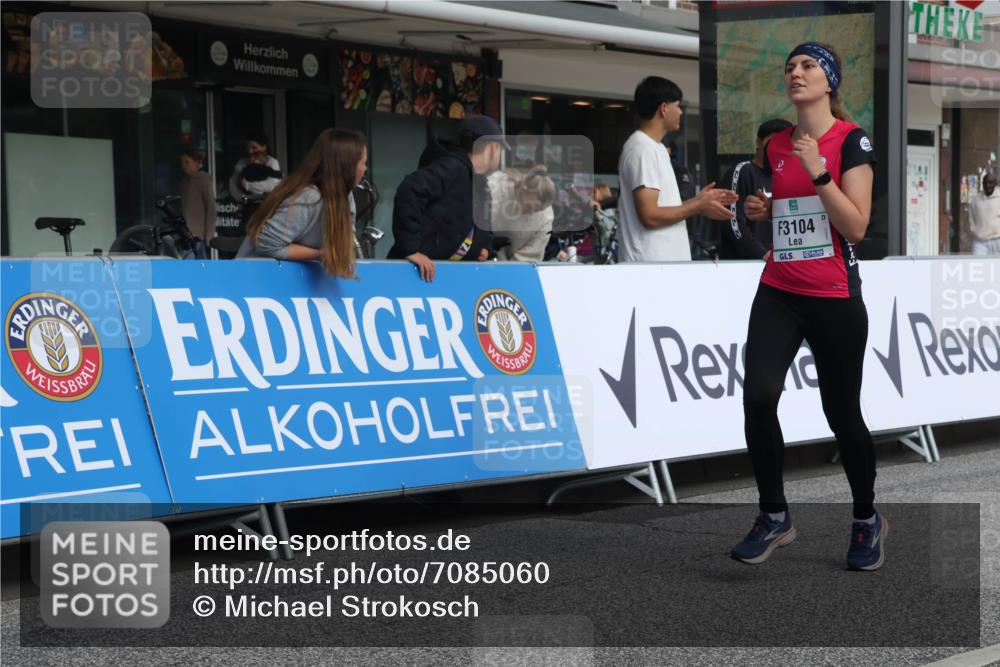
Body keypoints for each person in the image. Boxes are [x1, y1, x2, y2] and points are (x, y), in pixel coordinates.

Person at [733, 42, 883, 570]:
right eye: (790, 67)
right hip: (779, 289)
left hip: (834, 297)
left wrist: (820, 171)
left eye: (808, 66)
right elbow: (793, 213)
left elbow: (856, 226)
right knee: (757, 395)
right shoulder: (776, 144)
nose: (795, 74)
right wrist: (764, 208)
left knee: (842, 414)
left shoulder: (851, 140)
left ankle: (866, 518)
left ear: (829, 82)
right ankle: (774, 515)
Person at [617, 76, 737, 262]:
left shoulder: (656, 148)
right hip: (650, 267)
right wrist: (698, 205)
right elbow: (650, 216)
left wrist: (699, 202)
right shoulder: (642, 149)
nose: (680, 112)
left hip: (663, 266)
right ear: (664, 109)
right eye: (678, 106)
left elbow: (661, 210)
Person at [388, 115, 506, 281]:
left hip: (442, 276)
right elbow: (409, 191)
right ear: (493, 148)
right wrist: (411, 249)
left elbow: (481, 225)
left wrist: (484, 247)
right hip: (413, 273)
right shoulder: (452, 168)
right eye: (500, 148)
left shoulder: (481, 183)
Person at [237, 129, 365, 278]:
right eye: (363, 163)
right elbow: (266, 243)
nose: (365, 169)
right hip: (254, 281)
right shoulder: (308, 197)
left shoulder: (346, 196)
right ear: (347, 165)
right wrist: (320, 254)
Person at [718, 119, 794, 260]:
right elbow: (730, 220)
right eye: (772, 142)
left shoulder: (786, 176)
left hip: (780, 263)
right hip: (745, 266)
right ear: (759, 142)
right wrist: (760, 253)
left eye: (783, 144)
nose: (777, 148)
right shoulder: (742, 171)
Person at [488, 165, 557, 263]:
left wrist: (508, 270)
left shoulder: (545, 218)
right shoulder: (496, 186)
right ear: (522, 190)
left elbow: (531, 256)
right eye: (529, 206)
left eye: (537, 210)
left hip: (510, 265)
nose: (531, 213)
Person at [179, 149, 217, 243]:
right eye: (182, 162)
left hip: (198, 234)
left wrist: (209, 234)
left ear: (197, 163)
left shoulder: (204, 180)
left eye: (187, 162)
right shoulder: (183, 183)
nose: (184, 165)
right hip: (185, 232)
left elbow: (210, 208)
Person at [228, 134, 281, 201]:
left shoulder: (272, 162)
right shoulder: (242, 162)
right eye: (248, 147)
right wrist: (242, 199)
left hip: (266, 203)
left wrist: (248, 185)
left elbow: (271, 186)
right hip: (246, 203)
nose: (250, 151)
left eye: (254, 148)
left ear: (264, 147)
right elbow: (233, 183)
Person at [969, 172, 1000, 255]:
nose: (987, 185)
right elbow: (971, 218)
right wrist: (975, 231)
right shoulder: (975, 199)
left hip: (998, 240)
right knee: (977, 264)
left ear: (995, 184)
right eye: (985, 182)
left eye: (990, 182)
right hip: (980, 242)